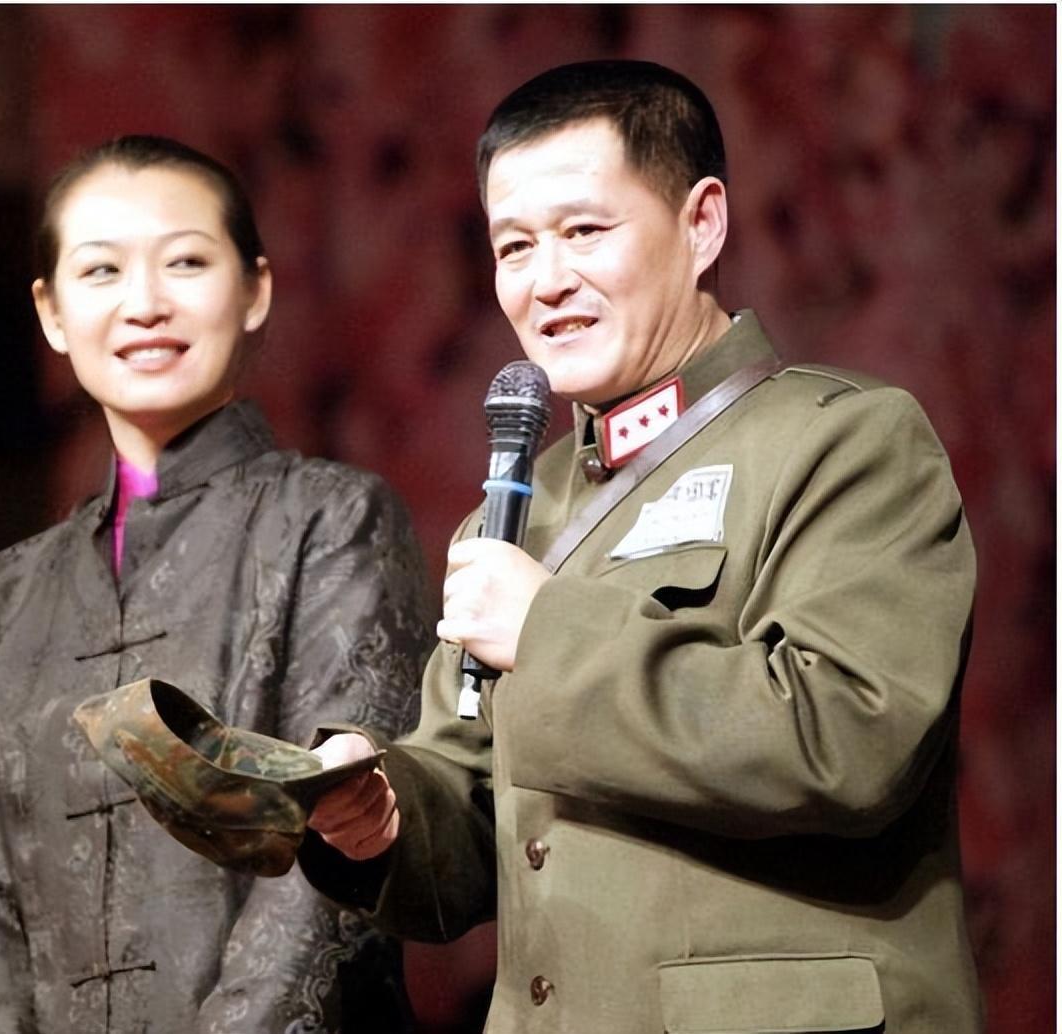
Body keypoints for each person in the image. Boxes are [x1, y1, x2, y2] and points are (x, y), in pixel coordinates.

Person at [302, 60, 982, 1033]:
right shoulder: (516, 511)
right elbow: (474, 818)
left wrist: (547, 632)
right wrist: (383, 810)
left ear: (701, 223)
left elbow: (848, 737)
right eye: (514, 245)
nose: (546, 281)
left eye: (584, 231)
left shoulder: (843, 442)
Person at [0, 135, 434, 1033]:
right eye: (102, 271)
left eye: (186, 262)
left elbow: (331, 855)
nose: (145, 304)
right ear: (52, 313)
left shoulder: (333, 520)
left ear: (256, 289)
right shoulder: (3, 598)